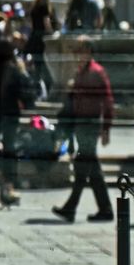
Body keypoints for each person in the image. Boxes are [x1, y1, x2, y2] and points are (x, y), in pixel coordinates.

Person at [52, 37, 114, 222]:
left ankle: (71, 207)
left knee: (83, 166)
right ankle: (105, 209)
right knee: (91, 167)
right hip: (81, 124)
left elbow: (108, 100)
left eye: (81, 51)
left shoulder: (97, 72)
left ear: (88, 52)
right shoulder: (81, 72)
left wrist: (106, 128)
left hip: (90, 123)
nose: (77, 55)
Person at [0, 38, 35, 206]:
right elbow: (25, 93)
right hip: (9, 114)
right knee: (9, 150)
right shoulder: (14, 70)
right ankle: (9, 186)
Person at [26, 0, 58, 91]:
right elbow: (46, 21)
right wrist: (51, 33)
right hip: (42, 37)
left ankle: (35, 88)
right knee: (45, 63)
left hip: (34, 36)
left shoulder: (34, 7)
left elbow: (31, 24)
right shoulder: (44, 6)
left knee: (37, 63)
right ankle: (49, 87)